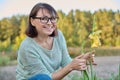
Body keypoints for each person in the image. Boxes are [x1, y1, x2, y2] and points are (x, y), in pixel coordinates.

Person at [16, 2, 95, 80]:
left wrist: (82, 60)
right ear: (32, 21)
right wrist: (71, 66)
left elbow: (66, 61)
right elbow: (46, 77)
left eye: (53, 18)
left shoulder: (58, 36)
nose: (50, 23)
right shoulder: (27, 47)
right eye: (44, 19)